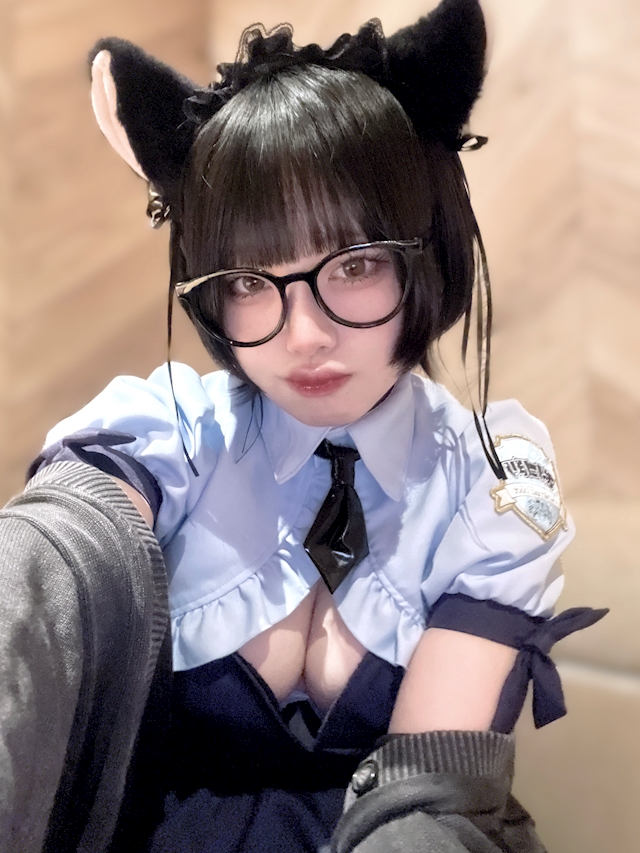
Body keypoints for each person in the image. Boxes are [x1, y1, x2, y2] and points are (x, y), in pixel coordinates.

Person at [0, 1, 606, 851]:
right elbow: (43, 578)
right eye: (249, 280)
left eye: (354, 263)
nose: (303, 334)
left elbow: (427, 803)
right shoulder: (172, 431)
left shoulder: (488, 481)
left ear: (426, 252)